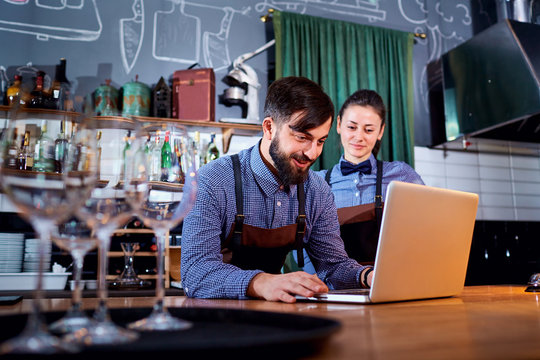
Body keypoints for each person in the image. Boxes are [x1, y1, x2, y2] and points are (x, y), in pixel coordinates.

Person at [181, 77, 374, 303]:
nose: (312, 153)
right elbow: (195, 273)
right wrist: (260, 282)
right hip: (217, 321)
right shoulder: (212, 180)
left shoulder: (318, 191)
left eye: (320, 141)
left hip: (278, 313)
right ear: (269, 128)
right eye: (302, 138)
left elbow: (334, 266)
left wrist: (368, 275)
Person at [295, 89, 424, 273]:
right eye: (352, 127)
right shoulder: (316, 183)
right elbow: (302, 246)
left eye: (369, 129)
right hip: (331, 289)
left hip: (387, 282)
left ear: (381, 131)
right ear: (338, 125)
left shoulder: (403, 176)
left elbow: (424, 231)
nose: (359, 136)